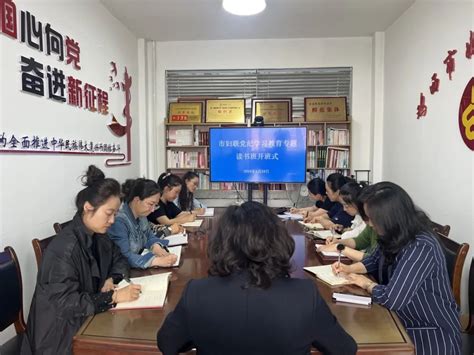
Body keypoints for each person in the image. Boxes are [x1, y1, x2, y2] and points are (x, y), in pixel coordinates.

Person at [157, 201, 357, 355]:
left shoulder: (197, 293)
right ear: (278, 240)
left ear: (221, 243)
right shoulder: (305, 295)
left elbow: (167, 343)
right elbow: (344, 348)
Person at [21, 165, 142, 355]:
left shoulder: (99, 235)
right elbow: (65, 303)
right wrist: (113, 297)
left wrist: (113, 278)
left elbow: (119, 258)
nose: (112, 220)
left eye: (115, 214)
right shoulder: (64, 249)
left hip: (86, 319)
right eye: (108, 213)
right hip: (60, 335)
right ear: (88, 208)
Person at [332, 182, 461, 354]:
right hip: (399, 317)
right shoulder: (392, 234)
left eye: (373, 218)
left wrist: (366, 284)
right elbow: (373, 260)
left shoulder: (421, 246)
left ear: (391, 217)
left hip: (429, 329)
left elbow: (394, 299)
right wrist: (349, 269)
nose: (370, 224)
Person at [108, 178, 178, 269]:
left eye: (155, 205)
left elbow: (150, 235)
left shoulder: (142, 215)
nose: (153, 210)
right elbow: (124, 256)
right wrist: (155, 261)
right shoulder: (119, 221)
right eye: (150, 204)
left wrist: (155, 246)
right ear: (137, 200)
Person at [317, 181, 376, 262]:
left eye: (346, 205)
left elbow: (374, 260)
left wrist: (339, 247)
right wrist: (338, 241)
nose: (344, 209)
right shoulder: (368, 223)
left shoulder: (375, 225)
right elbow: (357, 241)